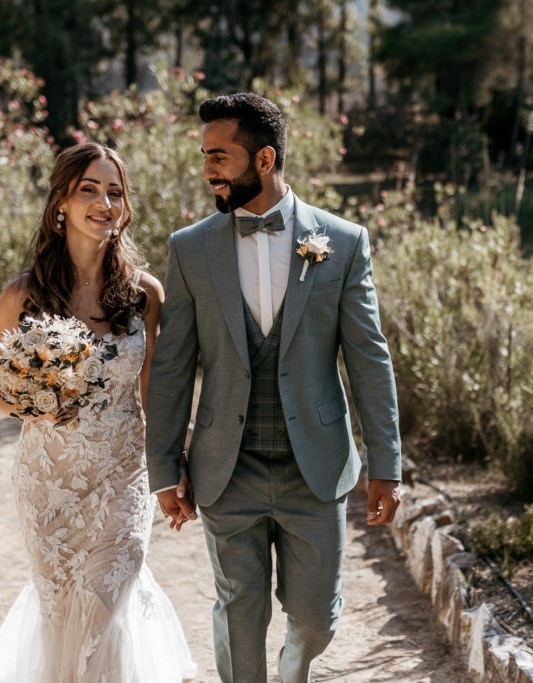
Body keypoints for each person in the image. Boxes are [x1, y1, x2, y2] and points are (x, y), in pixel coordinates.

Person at [146, 93, 407, 683]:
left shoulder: (342, 242)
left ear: (264, 159)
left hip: (314, 469)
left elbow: (369, 357)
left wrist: (385, 464)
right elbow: (171, 367)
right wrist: (164, 469)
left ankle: (293, 673)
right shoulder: (189, 248)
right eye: (205, 155)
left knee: (316, 620)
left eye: (220, 155)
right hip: (224, 469)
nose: (208, 168)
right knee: (240, 611)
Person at [0, 143, 196, 683]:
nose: (104, 202)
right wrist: (41, 399)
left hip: (123, 477)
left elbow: (153, 398)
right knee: (61, 616)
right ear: (61, 205)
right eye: (89, 190)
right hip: (49, 483)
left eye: (114, 192)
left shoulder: (146, 294)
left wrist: (175, 470)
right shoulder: (22, 296)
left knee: (105, 606)